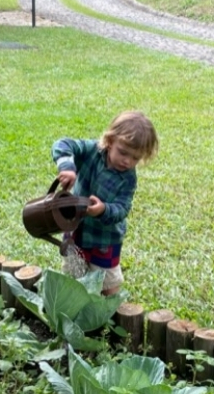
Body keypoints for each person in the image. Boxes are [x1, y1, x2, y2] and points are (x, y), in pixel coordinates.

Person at [52, 111, 159, 297]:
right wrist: (67, 168)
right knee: (74, 276)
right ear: (110, 141)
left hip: (104, 238)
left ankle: (110, 313)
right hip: (75, 230)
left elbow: (122, 208)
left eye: (135, 158)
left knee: (107, 282)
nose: (127, 161)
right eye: (123, 152)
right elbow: (62, 144)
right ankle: (75, 305)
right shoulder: (91, 150)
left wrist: (103, 210)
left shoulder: (128, 179)